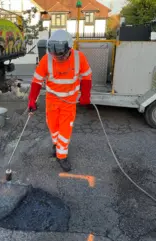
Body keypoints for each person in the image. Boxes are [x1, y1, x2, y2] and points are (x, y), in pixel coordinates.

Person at [28, 30, 92, 172]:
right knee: (53, 126)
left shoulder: (79, 58)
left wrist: (85, 94)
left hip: (69, 102)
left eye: (61, 56)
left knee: (65, 129)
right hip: (52, 100)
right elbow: (37, 81)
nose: (58, 58)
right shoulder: (47, 59)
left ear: (70, 48)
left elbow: (87, 76)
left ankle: (61, 156)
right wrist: (32, 99)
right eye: (55, 56)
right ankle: (56, 145)